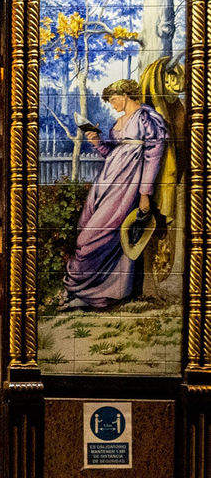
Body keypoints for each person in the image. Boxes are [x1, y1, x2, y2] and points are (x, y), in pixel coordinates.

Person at [62, 78, 169, 309]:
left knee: (92, 237)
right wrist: (96, 141)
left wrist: (144, 193)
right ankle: (92, 294)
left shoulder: (147, 119)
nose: (112, 105)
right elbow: (110, 154)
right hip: (106, 183)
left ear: (125, 94)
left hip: (126, 186)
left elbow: (153, 157)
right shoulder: (119, 122)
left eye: (113, 100)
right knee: (86, 228)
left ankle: (83, 289)